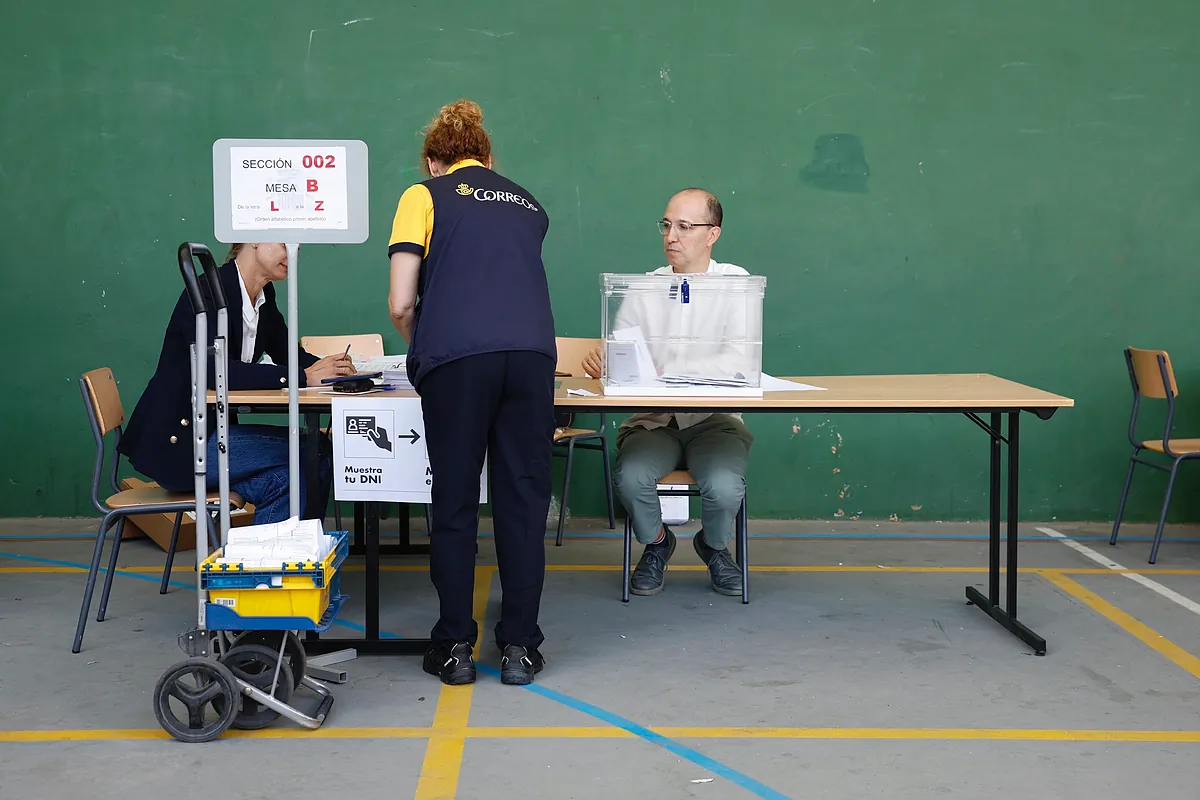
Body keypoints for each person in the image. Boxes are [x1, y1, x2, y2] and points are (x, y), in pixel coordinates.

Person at [387, 99, 557, 687]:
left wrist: (424, 345)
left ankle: (455, 647)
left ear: (435, 161)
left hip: (459, 360)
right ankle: (519, 649)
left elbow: (401, 302)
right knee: (523, 503)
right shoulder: (527, 202)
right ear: (487, 159)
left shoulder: (423, 196)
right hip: (532, 358)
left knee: (456, 502)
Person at [583, 189, 753, 597]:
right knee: (630, 476)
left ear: (712, 234)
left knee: (726, 486)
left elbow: (739, 361)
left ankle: (713, 547)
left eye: (684, 226)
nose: (671, 236)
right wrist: (607, 360)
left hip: (714, 422)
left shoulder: (737, 284)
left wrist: (668, 370)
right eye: (666, 225)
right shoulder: (644, 288)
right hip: (653, 421)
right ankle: (658, 543)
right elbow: (623, 350)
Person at [119, 243, 354, 526]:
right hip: (183, 445)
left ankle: (277, 563)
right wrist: (304, 377)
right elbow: (213, 371)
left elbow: (291, 356)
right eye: (283, 243)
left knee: (287, 480)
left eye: (297, 248)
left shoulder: (264, 296)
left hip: (214, 434)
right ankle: (287, 557)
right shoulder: (207, 291)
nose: (292, 253)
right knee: (315, 449)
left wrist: (337, 372)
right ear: (253, 238)